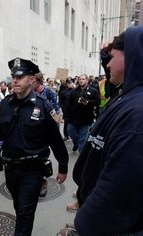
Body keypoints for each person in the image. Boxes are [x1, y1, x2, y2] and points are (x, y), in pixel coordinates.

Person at [0, 57, 68, 236]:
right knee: (19, 206)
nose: (14, 80)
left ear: (32, 80)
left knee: (25, 212)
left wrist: (62, 167)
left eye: (19, 77)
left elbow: (55, 140)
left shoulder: (42, 106)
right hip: (10, 169)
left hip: (33, 170)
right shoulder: (5, 104)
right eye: (13, 77)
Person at [68, 27, 143, 236]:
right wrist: (106, 53)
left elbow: (118, 187)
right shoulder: (129, 94)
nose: (107, 64)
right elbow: (113, 82)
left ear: (133, 57)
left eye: (112, 58)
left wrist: (83, 226)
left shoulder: (138, 113)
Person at [66, 74, 100, 152]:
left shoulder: (93, 90)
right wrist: (66, 115)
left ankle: (81, 154)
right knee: (71, 131)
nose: (81, 81)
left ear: (87, 80)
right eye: (80, 79)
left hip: (86, 118)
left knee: (83, 137)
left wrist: (88, 102)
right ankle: (76, 143)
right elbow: (68, 103)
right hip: (73, 118)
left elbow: (98, 102)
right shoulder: (74, 91)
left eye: (83, 79)